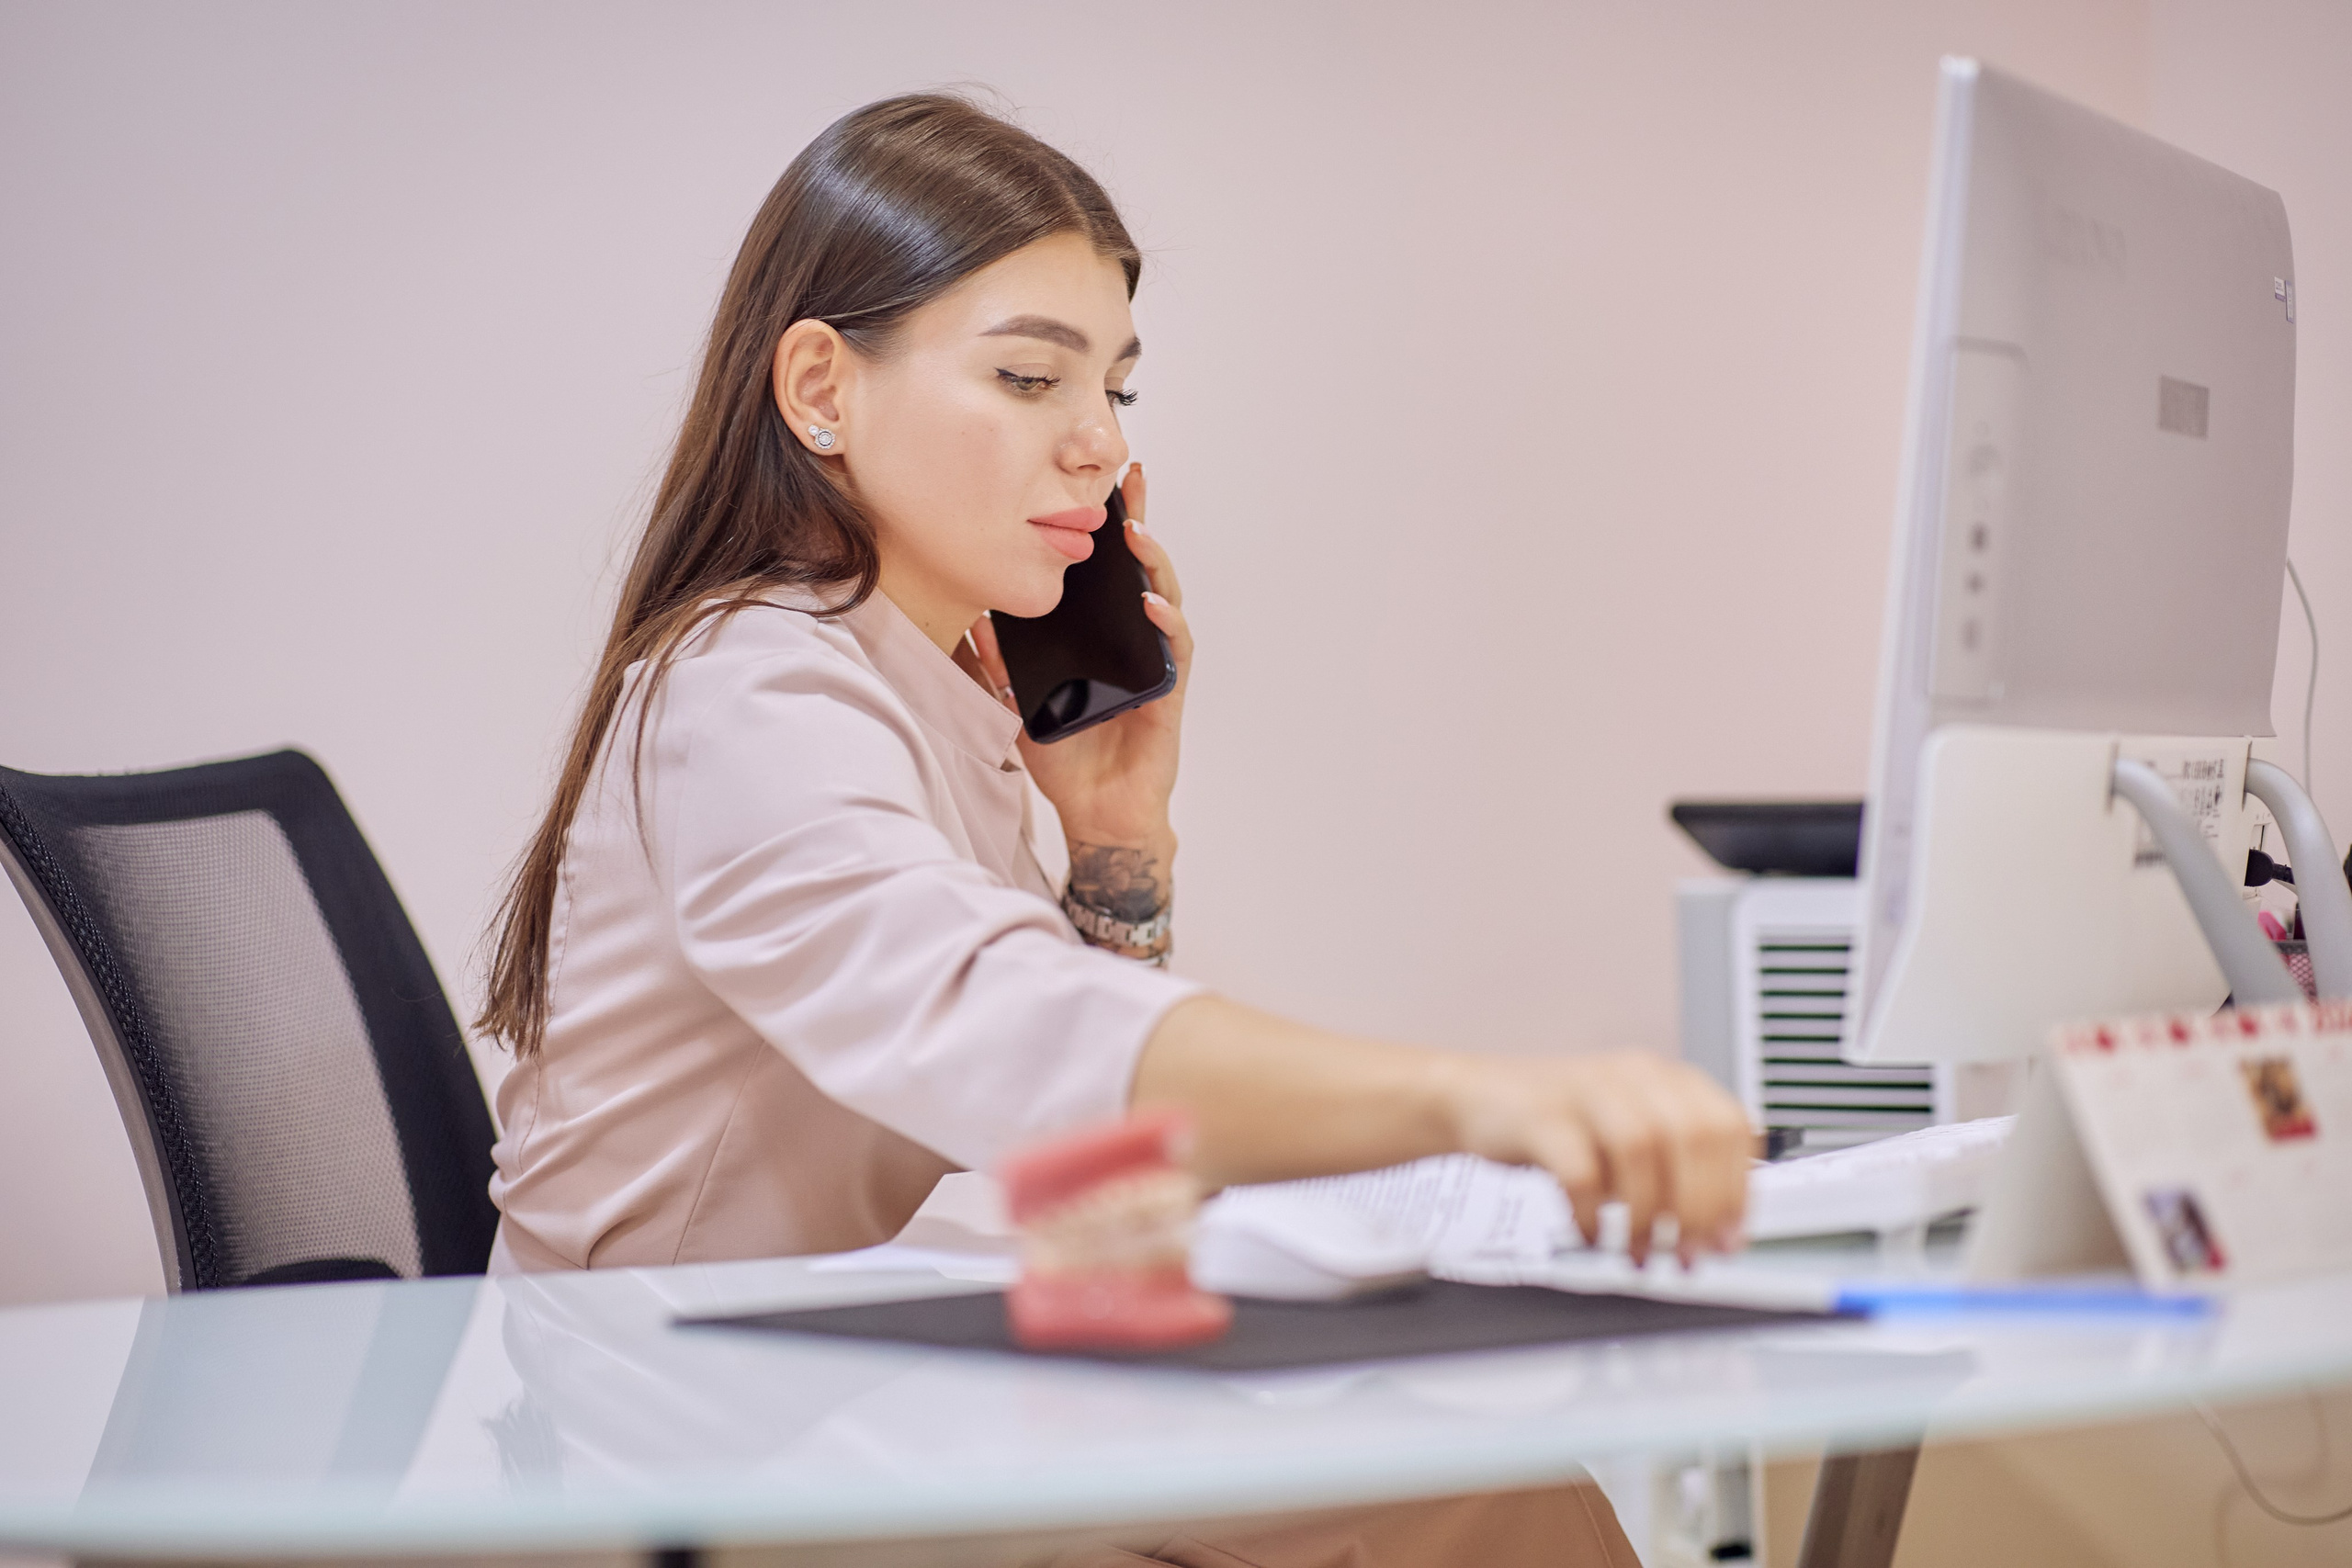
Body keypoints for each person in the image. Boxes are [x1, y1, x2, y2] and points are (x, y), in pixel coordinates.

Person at [478, 92, 1747, 1567]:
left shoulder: (907, 683)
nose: (1094, 443)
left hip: (814, 1379)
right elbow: (1011, 1037)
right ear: (820, 387)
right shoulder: (752, 688)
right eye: (1029, 379)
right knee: (1489, 1496)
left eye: (1117, 392)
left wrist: (1114, 848)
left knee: (1442, 1445)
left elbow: (1040, 1117)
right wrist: (1481, 1102)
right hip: (696, 1438)